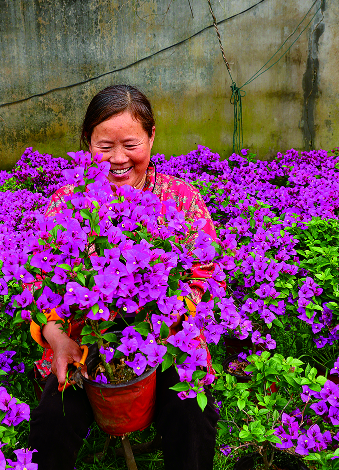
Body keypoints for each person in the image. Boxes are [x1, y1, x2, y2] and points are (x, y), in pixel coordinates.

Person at [28, 85, 219, 470]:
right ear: (87, 143)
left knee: (192, 421)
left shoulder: (179, 197)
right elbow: (40, 280)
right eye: (104, 146)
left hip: (169, 337)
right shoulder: (67, 201)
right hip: (85, 341)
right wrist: (57, 337)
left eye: (131, 144)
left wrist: (167, 322)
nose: (118, 159)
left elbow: (206, 273)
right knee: (51, 421)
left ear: (152, 137)